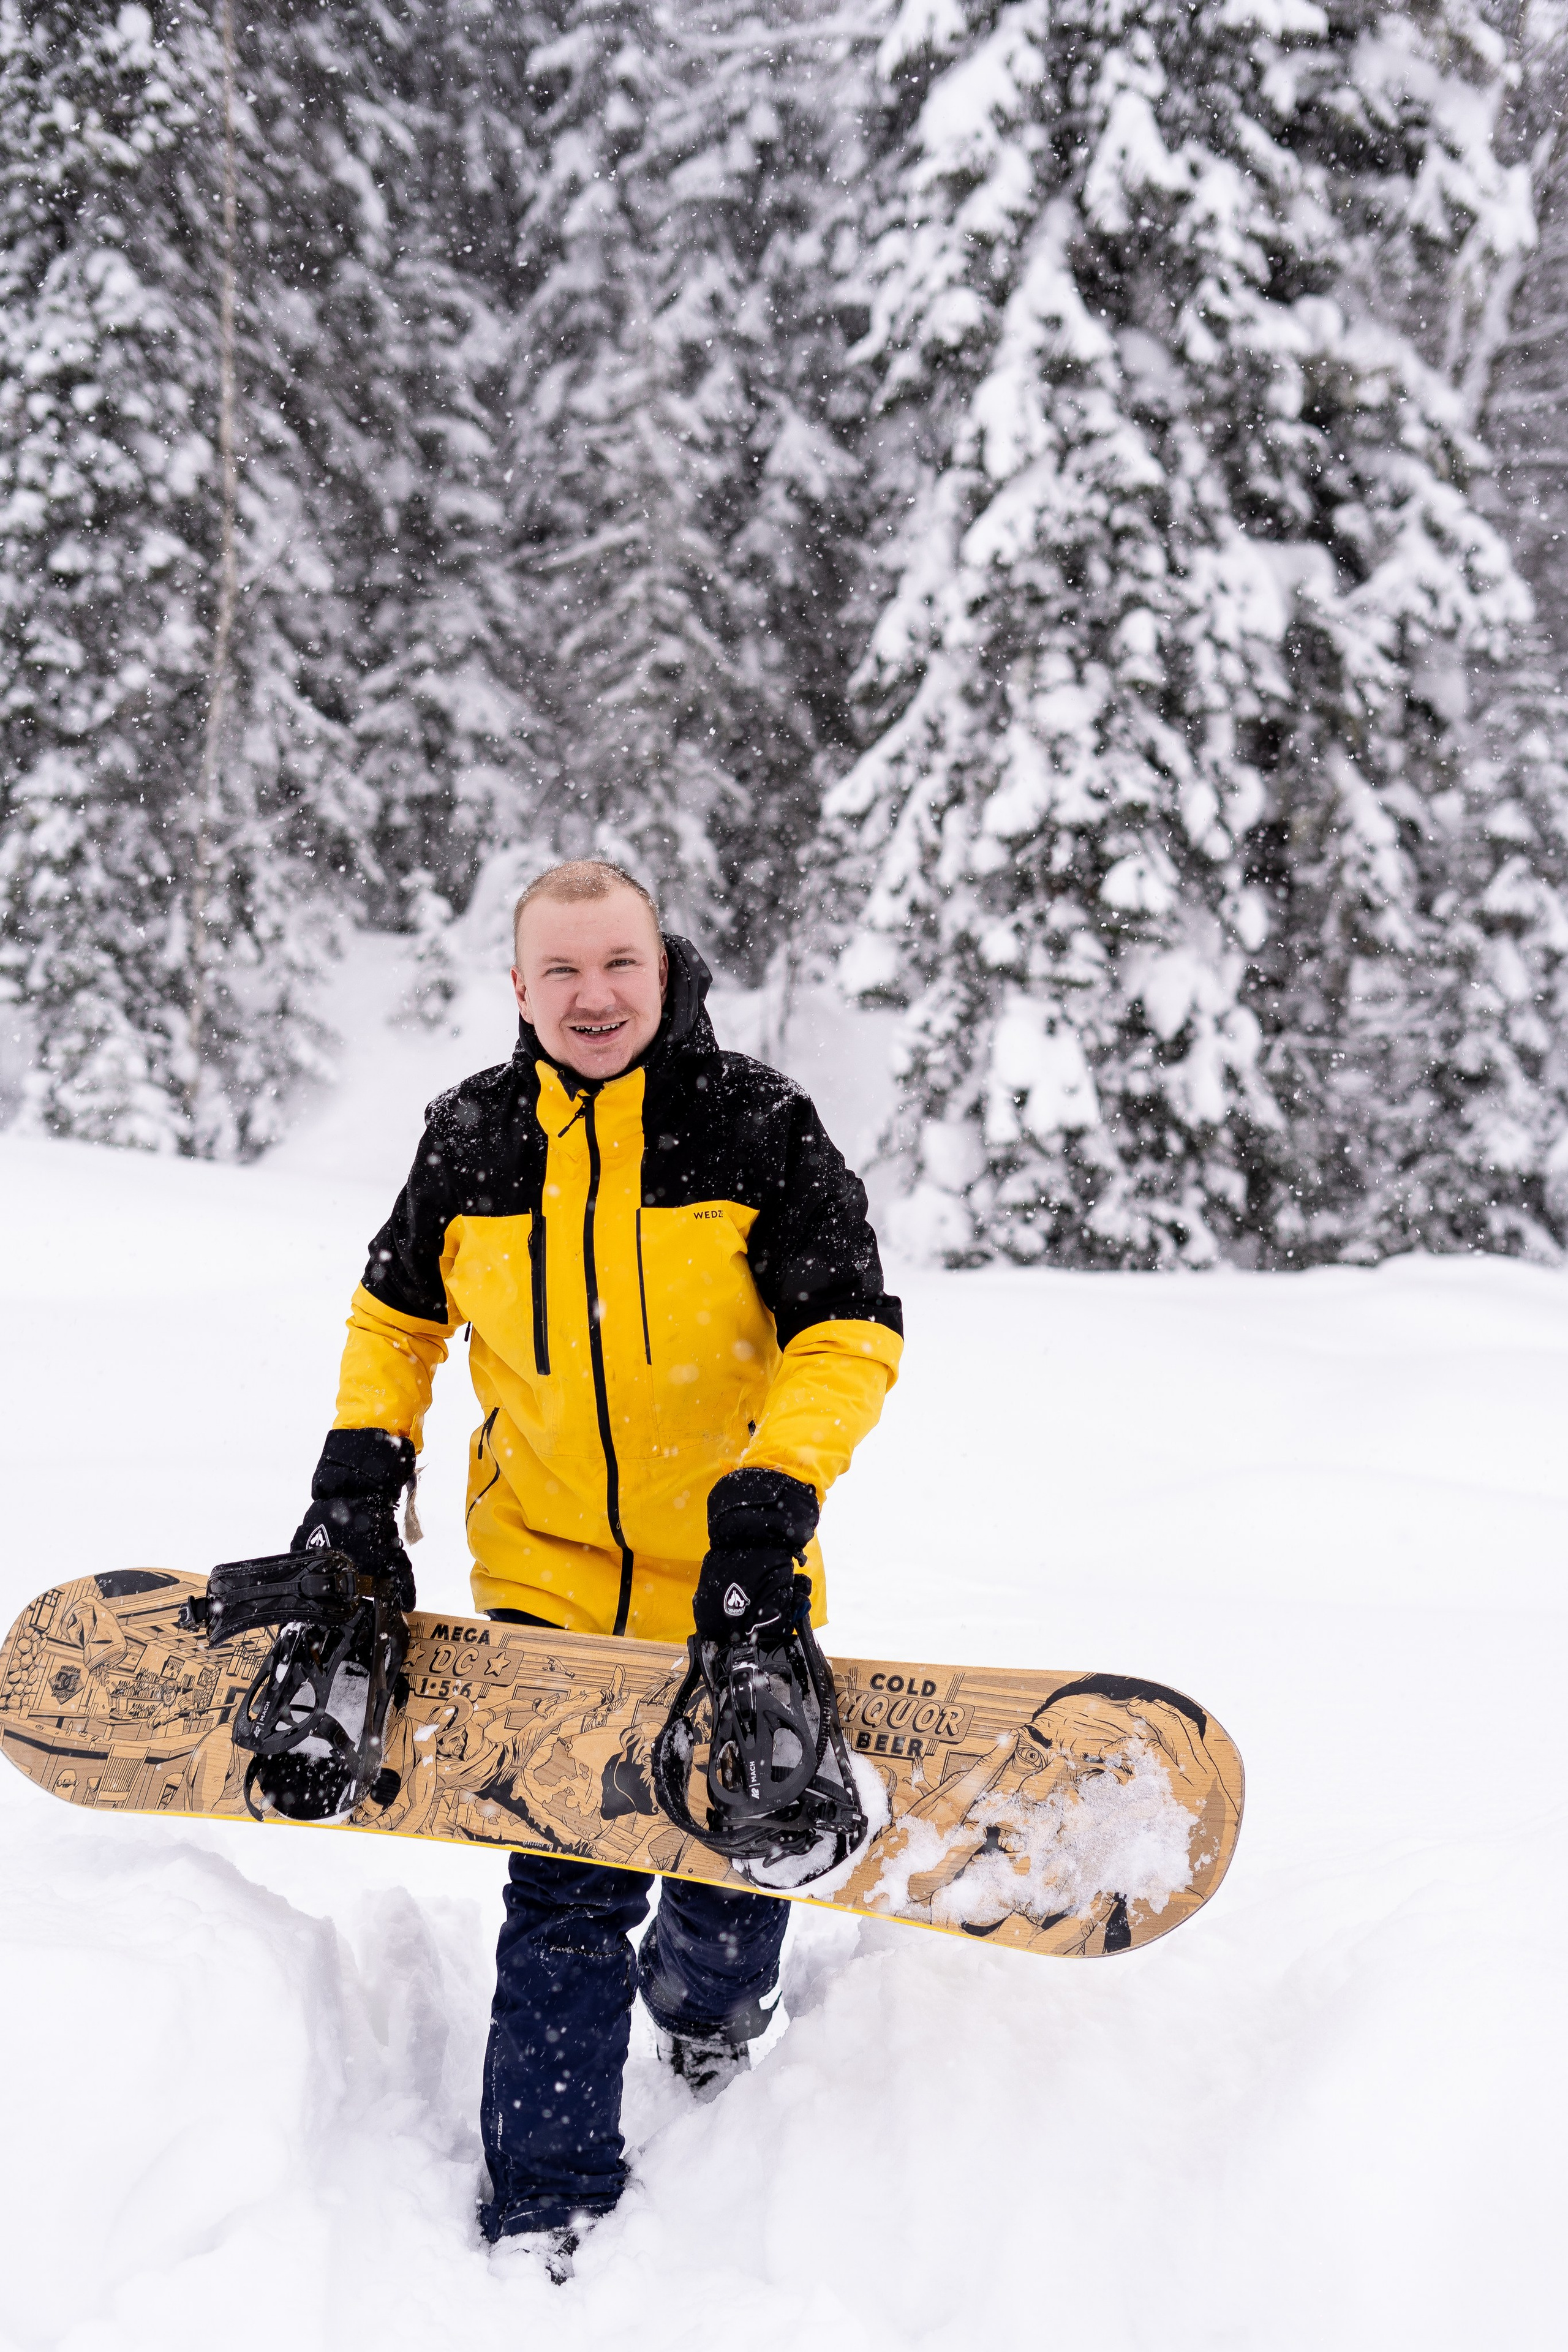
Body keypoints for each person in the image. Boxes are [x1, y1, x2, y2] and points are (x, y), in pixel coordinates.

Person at [287, 859, 902, 2272]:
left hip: (732, 1575)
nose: (592, 995)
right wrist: (361, 1467)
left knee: (730, 1862)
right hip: (543, 1582)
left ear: (662, 965)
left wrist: (775, 1489)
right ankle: (547, 2202)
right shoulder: (473, 1137)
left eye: (616, 963)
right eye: (559, 972)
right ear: (517, 987)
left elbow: (850, 1328)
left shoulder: (754, 1127)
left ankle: (704, 2014)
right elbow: (393, 1322)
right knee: (562, 1889)